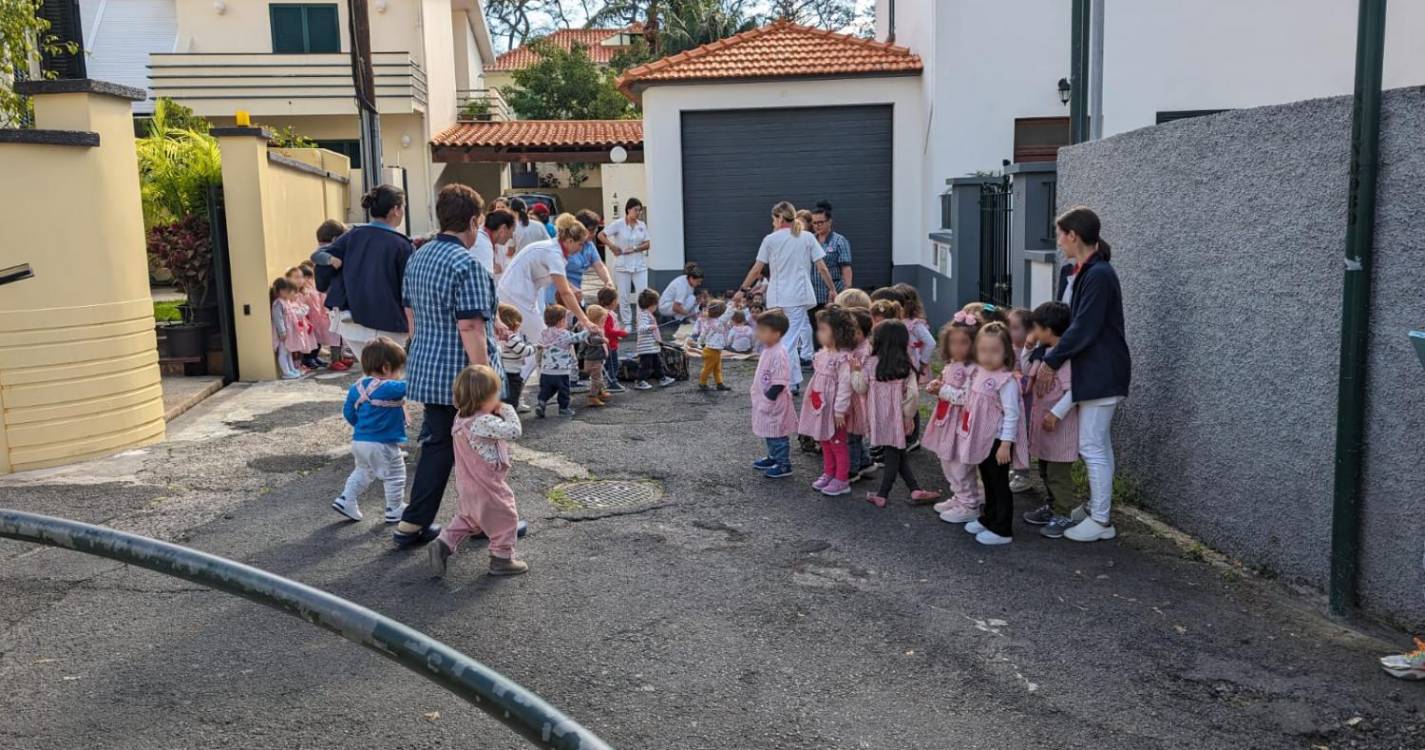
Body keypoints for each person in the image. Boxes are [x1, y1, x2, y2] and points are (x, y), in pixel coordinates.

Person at [393, 184, 501, 549]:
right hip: (461, 373)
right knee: (481, 448)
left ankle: (412, 523)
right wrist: (486, 382)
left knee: (437, 444)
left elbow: (410, 313)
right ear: (473, 221)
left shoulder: (418, 257)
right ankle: (488, 521)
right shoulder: (467, 265)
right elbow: (470, 326)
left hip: (427, 365)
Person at [1033, 206, 1131, 543]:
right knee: (1097, 443)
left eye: (1060, 235)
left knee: (1092, 445)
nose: (1058, 242)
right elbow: (1062, 320)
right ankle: (1095, 508)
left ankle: (1102, 520)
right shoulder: (1073, 271)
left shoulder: (1100, 274)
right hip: (1088, 371)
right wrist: (1041, 351)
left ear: (1072, 235)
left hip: (1102, 371)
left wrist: (1051, 361)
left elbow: (1084, 327)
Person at [427, 364, 529, 578]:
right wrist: (507, 409)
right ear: (486, 398)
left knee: (467, 518)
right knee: (506, 517)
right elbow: (514, 431)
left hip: (467, 483)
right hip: (487, 484)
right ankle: (502, 559)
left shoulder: (461, 417)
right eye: (496, 394)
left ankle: (443, 543)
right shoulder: (483, 421)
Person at [739, 202, 837, 391]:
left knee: (785, 340)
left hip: (777, 297)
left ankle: (787, 382)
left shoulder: (770, 239)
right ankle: (788, 382)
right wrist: (832, 289)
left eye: (773, 219)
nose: (773, 223)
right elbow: (822, 267)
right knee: (789, 340)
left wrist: (742, 289)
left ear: (780, 218)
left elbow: (757, 268)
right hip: (799, 296)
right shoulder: (807, 237)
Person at [322, 185, 414, 361]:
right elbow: (409, 289)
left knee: (370, 373)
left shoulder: (352, 235)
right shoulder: (401, 245)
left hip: (351, 319)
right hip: (389, 323)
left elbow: (323, 264)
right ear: (395, 209)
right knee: (388, 375)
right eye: (402, 206)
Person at [958, 322, 1030, 546]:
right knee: (987, 479)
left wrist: (1006, 444)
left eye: (995, 351)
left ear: (1006, 351)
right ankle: (988, 516)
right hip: (981, 437)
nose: (988, 356)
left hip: (997, 441)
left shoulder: (1006, 380)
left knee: (999, 483)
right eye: (983, 350)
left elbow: (1012, 414)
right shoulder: (979, 372)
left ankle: (1002, 528)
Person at [853, 319, 936, 507]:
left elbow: (860, 388)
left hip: (878, 416)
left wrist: (855, 372)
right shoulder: (906, 364)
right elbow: (913, 395)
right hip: (898, 416)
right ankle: (898, 492)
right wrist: (908, 417)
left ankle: (896, 492)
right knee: (895, 452)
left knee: (897, 453)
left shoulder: (869, 362)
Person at [331, 338, 409, 524]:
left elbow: (349, 412)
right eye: (399, 370)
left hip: (360, 441)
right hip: (382, 443)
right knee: (395, 474)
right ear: (386, 367)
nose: (400, 375)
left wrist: (362, 427)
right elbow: (412, 386)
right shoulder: (388, 386)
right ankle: (394, 508)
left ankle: (346, 499)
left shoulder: (356, 387)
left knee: (363, 471)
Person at [1019, 302, 1080, 539]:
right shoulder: (1043, 352)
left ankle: (1063, 513)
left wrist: (1057, 414)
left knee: (1058, 475)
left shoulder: (1064, 360)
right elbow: (1026, 370)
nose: (1032, 330)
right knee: (1045, 470)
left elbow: (1072, 391)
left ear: (1048, 328)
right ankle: (1052, 507)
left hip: (1059, 428)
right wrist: (1027, 347)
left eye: (1036, 326)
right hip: (1043, 428)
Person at [497, 214, 595, 346]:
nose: (581, 248)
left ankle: (523, 366)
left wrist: (572, 287)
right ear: (570, 241)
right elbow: (565, 292)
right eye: (580, 244)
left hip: (514, 291)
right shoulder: (554, 254)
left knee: (525, 342)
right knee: (544, 342)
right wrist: (585, 321)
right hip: (516, 294)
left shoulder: (552, 249)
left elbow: (559, 279)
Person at [927, 313, 982, 523]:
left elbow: (967, 397)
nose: (957, 348)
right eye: (953, 343)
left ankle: (969, 503)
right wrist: (938, 386)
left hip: (961, 424)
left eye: (964, 343)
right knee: (946, 460)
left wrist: (943, 390)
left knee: (960, 463)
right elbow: (948, 385)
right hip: (947, 421)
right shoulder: (953, 363)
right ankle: (960, 496)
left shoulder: (974, 369)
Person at [799, 307, 857, 497]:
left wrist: (840, 410)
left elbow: (845, 386)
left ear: (838, 332)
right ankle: (828, 472)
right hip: (820, 404)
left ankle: (841, 479)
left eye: (823, 329)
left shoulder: (843, 358)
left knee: (837, 442)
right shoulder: (823, 353)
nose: (819, 333)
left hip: (833, 408)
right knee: (824, 439)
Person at [749, 309, 797, 479]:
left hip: (774, 401)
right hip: (766, 399)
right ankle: (773, 457)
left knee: (777, 433)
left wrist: (768, 400)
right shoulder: (769, 348)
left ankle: (784, 464)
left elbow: (778, 382)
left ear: (776, 334)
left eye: (763, 331)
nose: (758, 334)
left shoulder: (779, 352)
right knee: (769, 432)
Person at [543, 210, 612, 306]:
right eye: (591, 231)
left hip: (575, 293)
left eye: (596, 231)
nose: (593, 234)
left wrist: (608, 281)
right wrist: (571, 288)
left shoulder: (589, 246)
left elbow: (599, 266)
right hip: (557, 294)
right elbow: (557, 274)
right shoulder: (564, 246)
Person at [601, 197, 650, 327]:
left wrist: (635, 248)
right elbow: (601, 235)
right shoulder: (618, 224)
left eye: (640, 210)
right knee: (624, 295)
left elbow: (647, 244)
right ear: (628, 210)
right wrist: (612, 246)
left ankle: (642, 322)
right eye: (636, 210)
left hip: (639, 265)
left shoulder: (642, 225)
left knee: (642, 294)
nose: (638, 213)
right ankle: (627, 322)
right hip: (622, 265)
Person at [535, 304, 589, 419]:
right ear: (561, 321)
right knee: (564, 391)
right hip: (561, 370)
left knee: (546, 389)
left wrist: (539, 363)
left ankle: (542, 402)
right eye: (566, 319)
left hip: (546, 370)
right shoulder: (565, 334)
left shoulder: (544, 333)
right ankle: (563, 409)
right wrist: (589, 329)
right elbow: (578, 337)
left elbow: (539, 348)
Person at [843, 305, 875, 481]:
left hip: (858, 399)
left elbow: (860, 380)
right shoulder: (856, 347)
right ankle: (865, 462)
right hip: (855, 398)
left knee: (852, 436)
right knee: (854, 434)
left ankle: (852, 470)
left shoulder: (863, 351)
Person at [810, 201, 853, 304]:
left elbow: (846, 267)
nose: (817, 226)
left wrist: (847, 289)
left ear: (829, 222)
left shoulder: (839, 241)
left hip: (832, 293)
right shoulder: (809, 240)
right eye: (814, 223)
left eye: (820, 222)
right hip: (812, 295)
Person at [634, 288, 675, 390]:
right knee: (646, 365)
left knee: (657, 363)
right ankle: (639, 381)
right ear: (651, 304)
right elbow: (640, 328)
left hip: (652, 346)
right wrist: (650, 327)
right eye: (656, 304)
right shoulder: (643, 315)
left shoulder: (648, 314)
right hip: (646, 348)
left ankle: (662, 378)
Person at [496, 304, 532, 411]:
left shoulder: (498, 336)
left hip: (502, 370)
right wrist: (535, 347)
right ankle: (510, 415)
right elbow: (523, 351)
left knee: (504, 395)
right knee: (512, 396)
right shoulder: (511, 337)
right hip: (512, 372)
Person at [269, 278, 305, 380]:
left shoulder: (286, 302)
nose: (291, 294)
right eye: (290, 291)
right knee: (283, 352)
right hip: (283, 333)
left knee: (289, 351)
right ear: (282, 291)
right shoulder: (278, 303)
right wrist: (282, 332)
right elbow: (278, 319)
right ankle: (286, 372)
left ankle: (291, 369)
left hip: (289, 332)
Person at [696, 300, 735, 391]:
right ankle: (702, 383)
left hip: (715, 350)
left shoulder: (715, 321)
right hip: (711, 351)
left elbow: (725, 328)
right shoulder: (716, 321)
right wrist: (732, 305)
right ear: (720, 312)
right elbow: (728, 315)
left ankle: (719, 383)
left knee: (717, 369)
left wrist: (730, 324)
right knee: (708, 368)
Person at [596, 287, 628, 394]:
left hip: (609, 344)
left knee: (607, 364)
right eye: (616, 300)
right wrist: (621, 333)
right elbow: (608, 331)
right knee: (613, 364)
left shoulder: (604, 313)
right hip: (610, 345)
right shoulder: (607, 314)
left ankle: (606, 381)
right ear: (612, 301)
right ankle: (612, 382)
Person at [658, 263, 705, 333]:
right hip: (665, 307)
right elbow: (676, 307)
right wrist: (689, 314)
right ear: (691, 278)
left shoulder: (687, 280)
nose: (699, 284)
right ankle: (678, 320)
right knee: (692, 299)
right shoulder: (682, 286)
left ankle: (682, 318)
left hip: (670, 304)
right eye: (698, 281)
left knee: (693, 299)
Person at [580, 305, 611, 407]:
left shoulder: (596, 328)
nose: (603, 322)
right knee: (596, 379)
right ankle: (592, 396)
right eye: (602, 320)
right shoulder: (592, 330)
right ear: (595, 320)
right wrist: (602, 340)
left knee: (599, 377)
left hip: (596, 359)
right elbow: (592, 340)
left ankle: (599, 392)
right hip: (593, 359)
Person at [472, 209, 515, 277]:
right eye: (511, 231)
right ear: (503, 229)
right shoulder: (483, 245)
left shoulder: (483, 239)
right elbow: (484, 278)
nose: (511, 237)